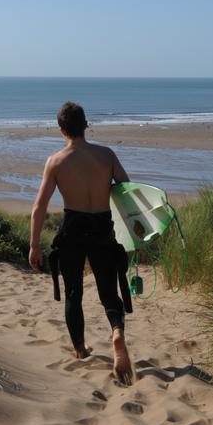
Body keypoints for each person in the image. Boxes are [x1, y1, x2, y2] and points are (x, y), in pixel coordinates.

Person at [29, 101, 134, 384]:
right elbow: (127, 192)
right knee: (108, 292)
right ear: (86, 125)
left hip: (73, 229)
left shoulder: (56, 161)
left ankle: (80, 349)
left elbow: (39, 207)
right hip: (102, 227)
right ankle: (117, 334)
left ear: (61, 129)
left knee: (74, 292)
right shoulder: (106, 155)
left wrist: (33, 245)